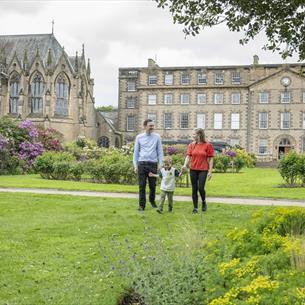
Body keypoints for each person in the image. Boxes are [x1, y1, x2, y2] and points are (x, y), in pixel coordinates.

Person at [181, 128, 214, 214]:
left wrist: (210, 171)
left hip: (203, 169)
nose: (193, 136)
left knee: (201, 188)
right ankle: (195, 208)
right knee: (194, 189)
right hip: (193, 169)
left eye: (194, 134)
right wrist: (185, 165)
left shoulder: (207, 145)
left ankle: (203, 201)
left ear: (199, 135)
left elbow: (211, 159)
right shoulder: (191, 145)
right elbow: (188, 156)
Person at [133, 119, 164, 211]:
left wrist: (160, 164)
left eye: (153, 126)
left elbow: (160, 151)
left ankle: (152, 200)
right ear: (145, 126)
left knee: (152, 185)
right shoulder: (139, 137)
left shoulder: (157, 137)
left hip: (153, 164)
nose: (152, 127)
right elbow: (136, 153)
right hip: (142, 163)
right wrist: (135, 165)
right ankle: (141, 205)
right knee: (142, 186)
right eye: (150, 126)